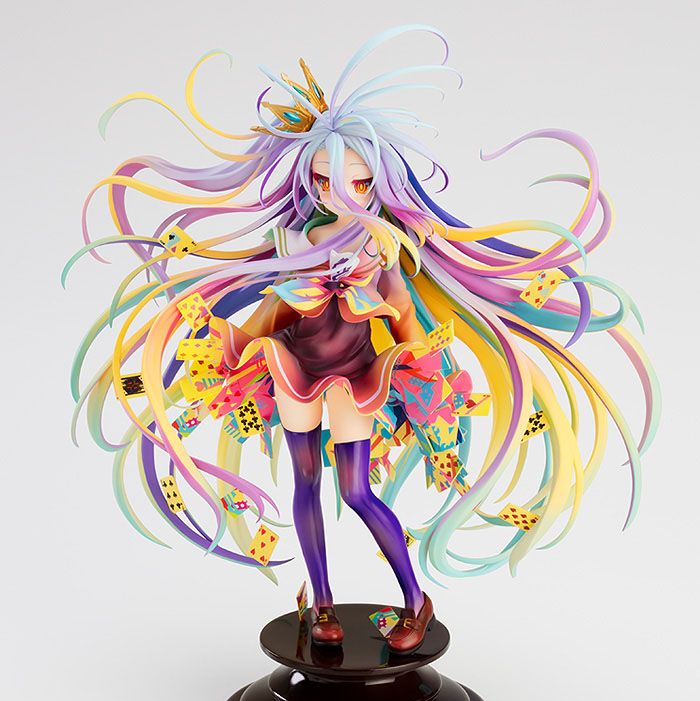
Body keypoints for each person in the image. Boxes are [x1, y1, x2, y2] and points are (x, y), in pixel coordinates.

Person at [65, 24, 660, 654]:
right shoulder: (292, 241)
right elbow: (268, 315)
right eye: (324, 180)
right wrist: (240, 329)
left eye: (358, 182)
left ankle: (415, 600)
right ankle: (319, 602)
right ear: (307, 179)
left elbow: (407, 323)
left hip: (357, 374)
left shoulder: (384, 246)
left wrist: (399, 329)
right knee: (304, 483)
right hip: (293, 366)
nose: (340, 194)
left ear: (380, 181)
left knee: (355, 490)